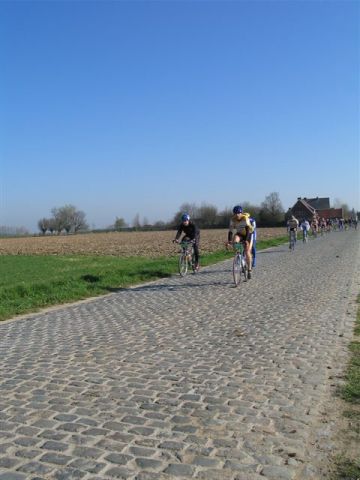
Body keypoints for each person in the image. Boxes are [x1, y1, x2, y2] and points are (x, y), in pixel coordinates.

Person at [227, 205, 254, 279]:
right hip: (240, 233)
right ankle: (239, 256)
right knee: (235, 240)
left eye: (239, 213)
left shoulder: (245, 218)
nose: (237, 215)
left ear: (241, 213)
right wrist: (229, 241)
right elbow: (230, 231)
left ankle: (249, 270)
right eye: (235, 213)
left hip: (248, 234)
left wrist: (246, 240)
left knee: (247, 251)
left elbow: (248, 230)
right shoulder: (233, 219)